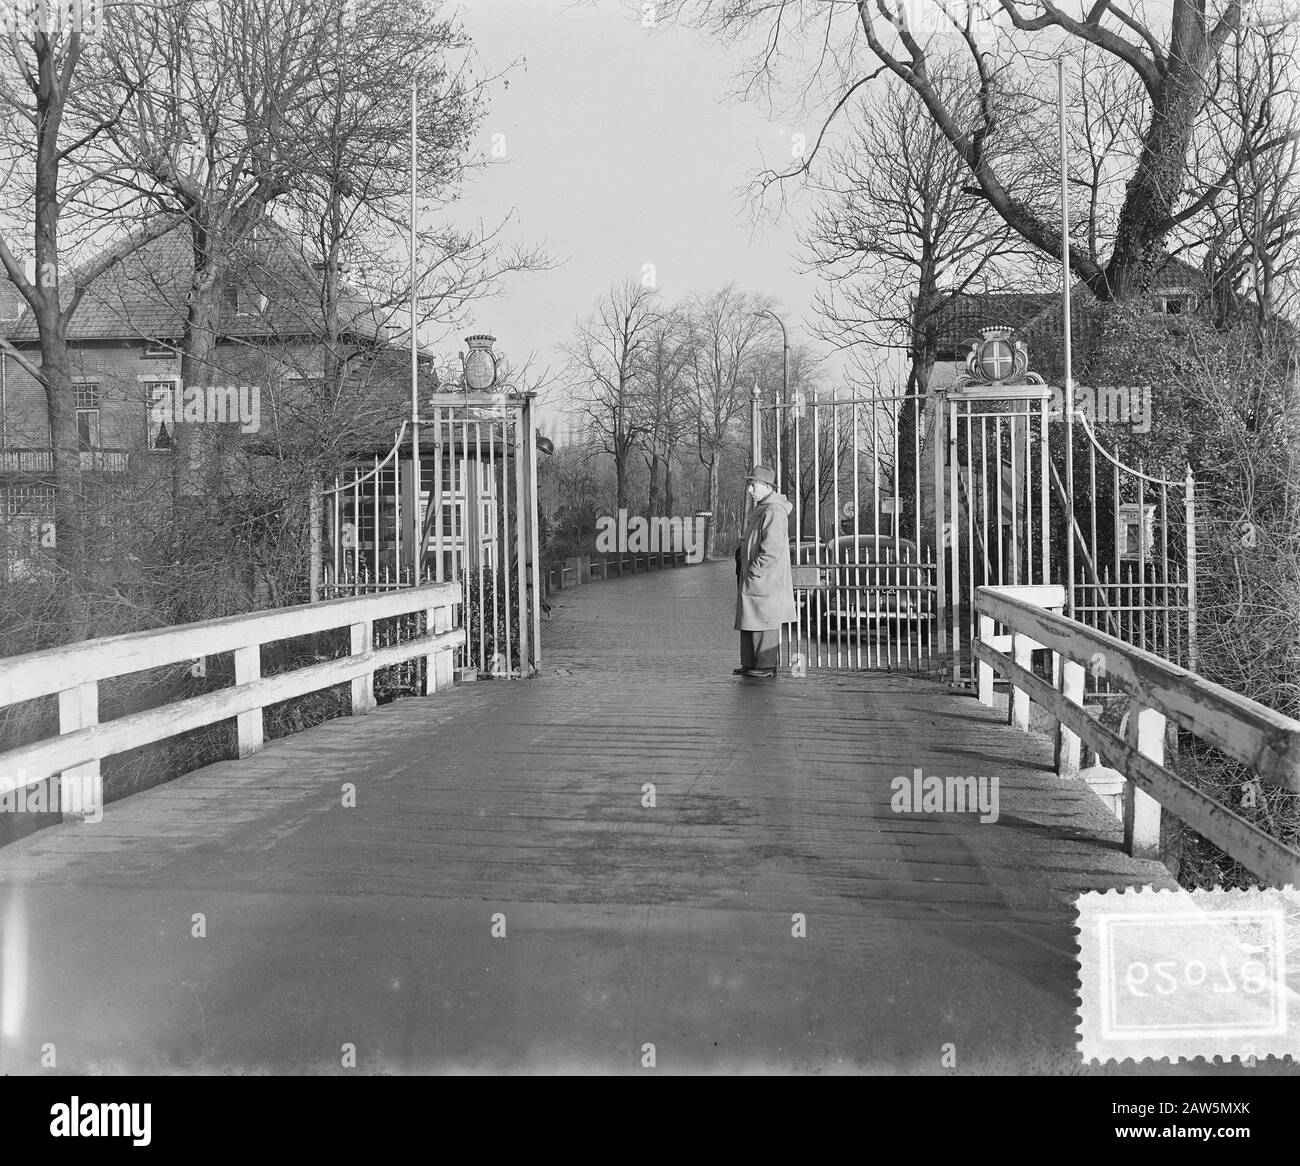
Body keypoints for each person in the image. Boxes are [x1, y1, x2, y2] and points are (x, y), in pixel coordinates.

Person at [733, 465, 797, 678]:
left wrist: (755, 569)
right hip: (758, 577)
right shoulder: (764, 509)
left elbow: (771, 547)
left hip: (764, 578)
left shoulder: (773, 510)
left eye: (753, 485)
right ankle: (752, 662)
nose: (750, 490)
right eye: (750, 485)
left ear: (766, 486)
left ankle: (764, 665)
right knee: (752, 620)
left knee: (764, 620)